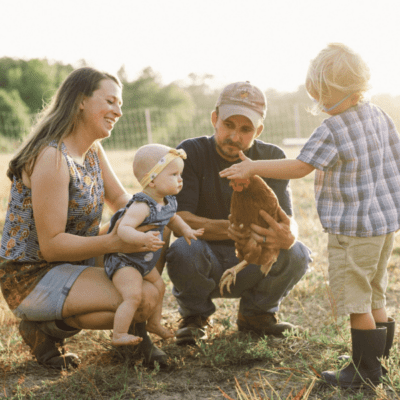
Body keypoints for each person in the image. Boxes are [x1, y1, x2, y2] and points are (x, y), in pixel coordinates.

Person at [220, 43, 399, 389]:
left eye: (318, 92)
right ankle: (380, 364)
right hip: (383, 227)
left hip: (354, 230)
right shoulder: (378, 114)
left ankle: (363, 373)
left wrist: (254, 166)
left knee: (356, 299)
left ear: (327, 90)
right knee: (375, 292)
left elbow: (300, 166)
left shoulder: (333, 129)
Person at [0, 67, 169, 369]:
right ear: (80, 100)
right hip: (32, 276)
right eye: (110, 101)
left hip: (74, 260)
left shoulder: (92, 150)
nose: (118, 111)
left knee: (151, 224)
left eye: (120, 104)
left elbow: (120, 200)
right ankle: (43, 328)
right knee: (140, 299)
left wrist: (151, 213)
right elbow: (51, 247)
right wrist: (115, 241)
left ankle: (129, 334)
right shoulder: (52, 157)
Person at [165, 81, 312, 346]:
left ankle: (256, 315)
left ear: (259, 130)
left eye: (246, 129)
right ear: (214, 119)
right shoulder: (193, 152)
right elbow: (180, 220)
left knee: (298, 252)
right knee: (183, 249)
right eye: (228, 125)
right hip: (205, 257)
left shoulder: (270, 156)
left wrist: (288, 235)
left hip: (254, 259)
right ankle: (195, 317)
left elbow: (287, 220)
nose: (235, 136)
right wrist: (230, 228)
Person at [104, 144, 204, 346]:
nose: (180, 179)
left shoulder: (167, 201)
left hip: (143, 261)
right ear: (152, 180)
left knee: (159, 286)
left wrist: (187, 230)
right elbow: (123, 229)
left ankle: (154, 323)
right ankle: (119, 334)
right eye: (174, 174)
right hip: (125, 261)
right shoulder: (142, 205)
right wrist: (142, 239)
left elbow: (173, 218)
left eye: (180, 174)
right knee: (133, 296)